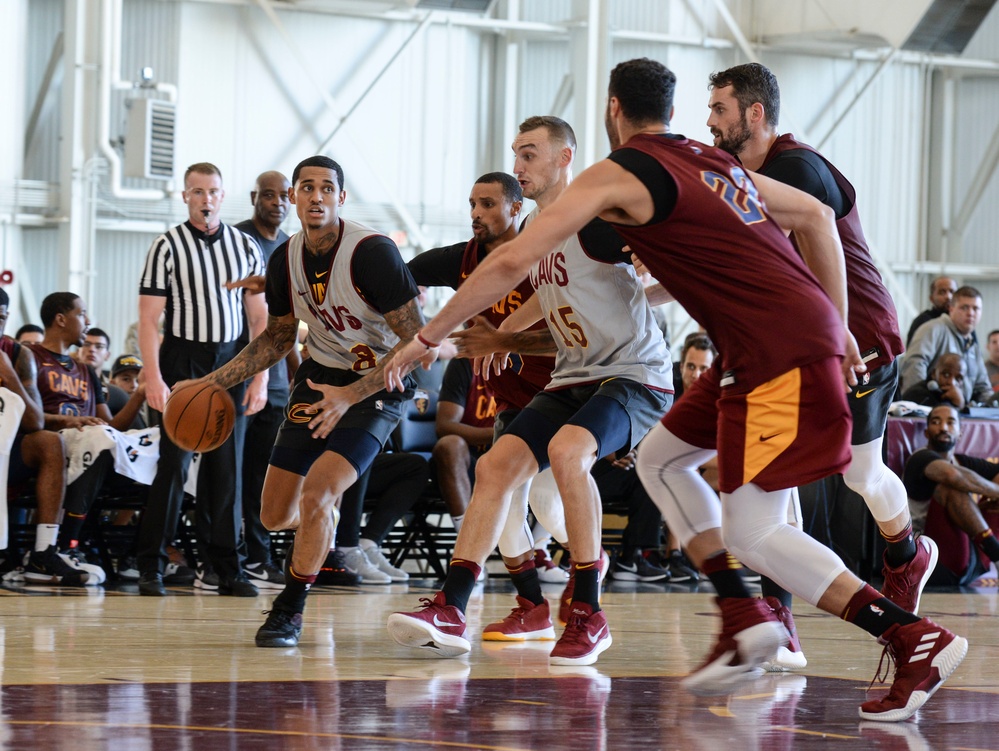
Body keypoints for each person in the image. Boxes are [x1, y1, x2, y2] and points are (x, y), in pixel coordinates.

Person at [386, 58, 966, 720]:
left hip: (776, 354)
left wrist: (426, 337)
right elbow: (813, 218)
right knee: (662, 458)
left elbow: (511, 259)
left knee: (751, 527)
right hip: (752, 352)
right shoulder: (707, 160)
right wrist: (832, 324)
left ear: (612, 110)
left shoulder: (619, 172)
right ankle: (742, 613)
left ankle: (907, 635)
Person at [386, 115, 673, 665]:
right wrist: (504, 331)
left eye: (530, 155)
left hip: (634, 373)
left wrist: (652, 282)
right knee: (495, 468)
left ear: (565, 158)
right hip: (575, 374)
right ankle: (451, 606)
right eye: (516, 154)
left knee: (568, 452)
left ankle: (589, 612)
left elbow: (674, 264)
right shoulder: (541, 232)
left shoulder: (600, 218)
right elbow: (547, 291)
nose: (519, 166)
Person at [704, 62, 932, 673]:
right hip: (816, 343)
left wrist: (833, 336)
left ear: (754, 114)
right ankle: (895, 558)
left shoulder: (795, 168)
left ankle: (894, 568)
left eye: (720, 110)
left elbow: (817, 234)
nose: (709, 121)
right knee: (824, 473)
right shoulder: (756, 176)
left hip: (851, 339)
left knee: (824, 477)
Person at [190, 155, 424, 646]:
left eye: (327, 188)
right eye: (307, 188)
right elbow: (277, 339)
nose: (316, 196)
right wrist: (213, 382)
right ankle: (320, 523)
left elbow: (415, 344)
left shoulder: (373, 253)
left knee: (318, 492)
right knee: (275, 515)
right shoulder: (283, 258)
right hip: (319, 378)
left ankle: (289, 609)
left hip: (380, 383)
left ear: (341, 198)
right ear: (293, 196)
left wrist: (352, 395)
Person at [408, 171, 571, 623]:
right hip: (509, 403)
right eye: (472, 204)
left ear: (517, 208)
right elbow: (401, 271)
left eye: (488, 205)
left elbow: (569, 337)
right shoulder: (463, 259)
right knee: (504, 507)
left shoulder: (544, 258)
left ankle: (590, 564)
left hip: (556, 398)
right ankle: (532, 606)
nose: (477, 214)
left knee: (545, 506)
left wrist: (503, 340)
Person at [136, 162, 268, 598]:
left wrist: (259, 378)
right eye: (197, 192)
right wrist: (153, 377)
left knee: (226, 470)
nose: (205, 199)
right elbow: (148, 320)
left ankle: (227, 568)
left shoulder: (245, 246)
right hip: (182, 359)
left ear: (222, 195)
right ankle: (152, 565)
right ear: (186, 196)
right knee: (172, 466)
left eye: (212, 191)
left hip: (232, 361)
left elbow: (259, 318)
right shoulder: (166, 246)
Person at [26, 292, 150, 583]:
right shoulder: (30, 356)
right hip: (42, 443)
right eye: (81, 314)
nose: (88, 321)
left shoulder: (85, 371)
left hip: (90, 445)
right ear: (60, 319)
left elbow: (110, 426)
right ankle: (68, 545)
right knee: (94, 438)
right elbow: (26, 416)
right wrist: (70, 420)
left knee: (154, 442)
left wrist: (140, 393)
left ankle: (135, 554)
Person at [233, 170, 297, 591]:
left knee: (263, 475)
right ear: (255, 197)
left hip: (275, 382)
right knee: (233, 474)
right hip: (239, 372)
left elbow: (287, 319)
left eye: (282, 196)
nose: (277, 202)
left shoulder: (292, 248)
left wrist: (293, 373)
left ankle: (259, 557)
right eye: (268, 195)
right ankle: (233, 556)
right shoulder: (238, 241)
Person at [0, 289, 79, 585]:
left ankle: (44, 551)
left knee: (49, 441)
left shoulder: (18, 354)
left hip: (7, 454)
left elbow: (35, 421)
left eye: (1, 318)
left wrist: (9, 376)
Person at [904, 404, 999, 585]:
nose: (943, 427)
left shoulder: (963, 460)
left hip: (970, 556)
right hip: (930, 556)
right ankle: (996, 553)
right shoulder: (919, 458)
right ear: (926, 432)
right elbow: (953, 476)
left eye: (950, 422)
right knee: (951, 486)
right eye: (936, 422)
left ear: (960, 433)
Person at [901, 285, 993, 405]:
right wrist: (918, 406)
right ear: (951, 308)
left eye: (976, 308)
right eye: (964, 307)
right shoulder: (932, 329)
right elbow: (914, 366)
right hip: (931, 414)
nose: (970, 313)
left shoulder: (973, 345)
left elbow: (983, 387)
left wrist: (993, 407)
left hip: (958, 413)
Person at [900, 352, 966, 409]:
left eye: (958, 378)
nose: (951, 382)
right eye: (946, 375)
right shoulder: (917, 394)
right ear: (934, 373)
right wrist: (959, 405)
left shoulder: (957, 396)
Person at [906, 276, 957, 348]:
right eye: (942, 292)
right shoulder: (923, 321)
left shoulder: (962, 323)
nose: (948, 296)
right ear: (931, 298)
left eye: (952, 292)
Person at [673, 334, 715, 401]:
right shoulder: (667, 395)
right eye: (691, 367)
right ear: (681, 367)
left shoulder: (718, 401)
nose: (696, 375)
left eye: (703, 368)